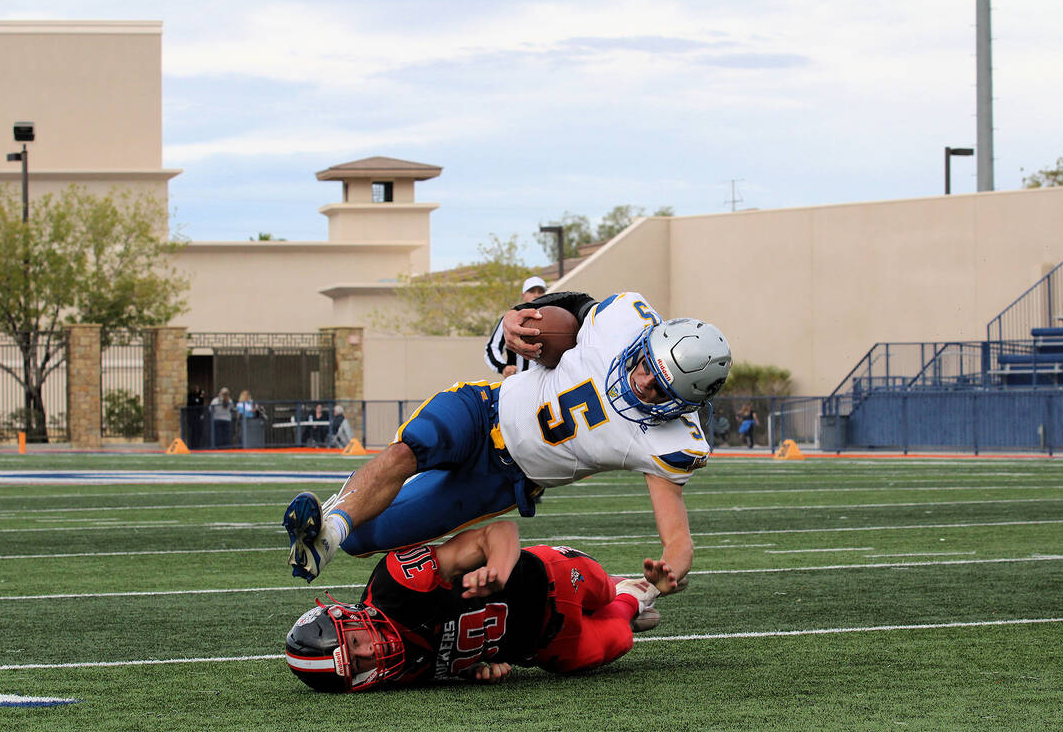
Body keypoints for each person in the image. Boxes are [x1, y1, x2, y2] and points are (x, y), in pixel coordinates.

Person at [283, 290, 732, 596]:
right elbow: (573, 307)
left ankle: (341, 530)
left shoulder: (671, 441)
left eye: (659, 389)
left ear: (686, 404)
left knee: (371, 537)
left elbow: (678, 537)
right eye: (647, 365)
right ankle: (328, 534)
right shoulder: (622, 321)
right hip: (484, 410)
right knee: (411, 447)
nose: (643, 382)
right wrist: (517, 314)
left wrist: (665, 576)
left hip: (504, 478)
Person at [284, 520, 670, 691]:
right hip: (544, 645)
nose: (371, 652)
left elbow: (500, 530)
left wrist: (499, 571)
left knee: (601, 591)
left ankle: (624, 589)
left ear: (347, 618)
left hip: (550, 577)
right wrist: (471, 668)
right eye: (359, 665)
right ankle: (635, 597)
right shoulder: (396, 676)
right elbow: (438, 651)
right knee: (619, 636)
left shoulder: (399, 583)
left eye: (354, 644)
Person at [484, 276, 548, 377]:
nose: (536, 295)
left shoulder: (552, 318)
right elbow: (492, 347)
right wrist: (503, 367)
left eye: (540, 291)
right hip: (518, 381)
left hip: (548, 382)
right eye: (531, 291)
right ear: (523, 295)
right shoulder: (510, 319)